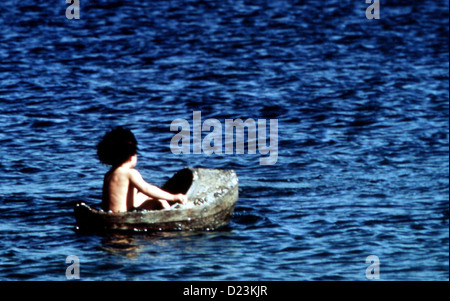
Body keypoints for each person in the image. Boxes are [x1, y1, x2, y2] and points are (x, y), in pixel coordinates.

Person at [96, 126, 188, 212]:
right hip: (122, 217)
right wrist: (173, 197)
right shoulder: (130, 173)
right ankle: (171, 213)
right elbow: (146, 188)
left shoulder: (109, 174)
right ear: (131, 156)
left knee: (147, 195)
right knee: (159, 198)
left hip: (111, 215)